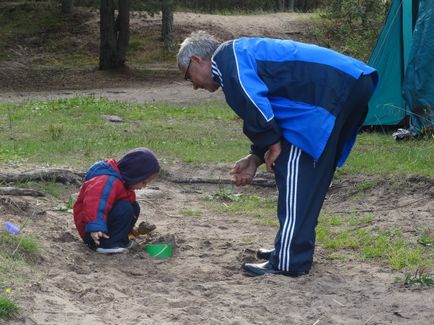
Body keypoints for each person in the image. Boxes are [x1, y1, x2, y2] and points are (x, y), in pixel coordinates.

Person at [177, 31, 378, 277]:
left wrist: (272, 144)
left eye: (189, 77)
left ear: (197, 59)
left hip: (332, 89)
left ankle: (289, 260)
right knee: (303, 174)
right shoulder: (241, 53)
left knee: (296, 170)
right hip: (345, 84)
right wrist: (256, 157)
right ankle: (290, 247)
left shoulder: (227, 58)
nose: (195, 85)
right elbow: (271, 109)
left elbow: (252, 101)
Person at [73, 147, 160, 254]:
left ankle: (120, 239)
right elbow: (95, 204)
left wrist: (130, 229)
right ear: (135, 175)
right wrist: (95, 227)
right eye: (144, 182)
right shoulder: (107, 180)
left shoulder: (123, 183)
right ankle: (108, 245)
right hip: (92, 231)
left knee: (133, 207)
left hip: (102, 227)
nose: (144, 186)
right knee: (125, 208)